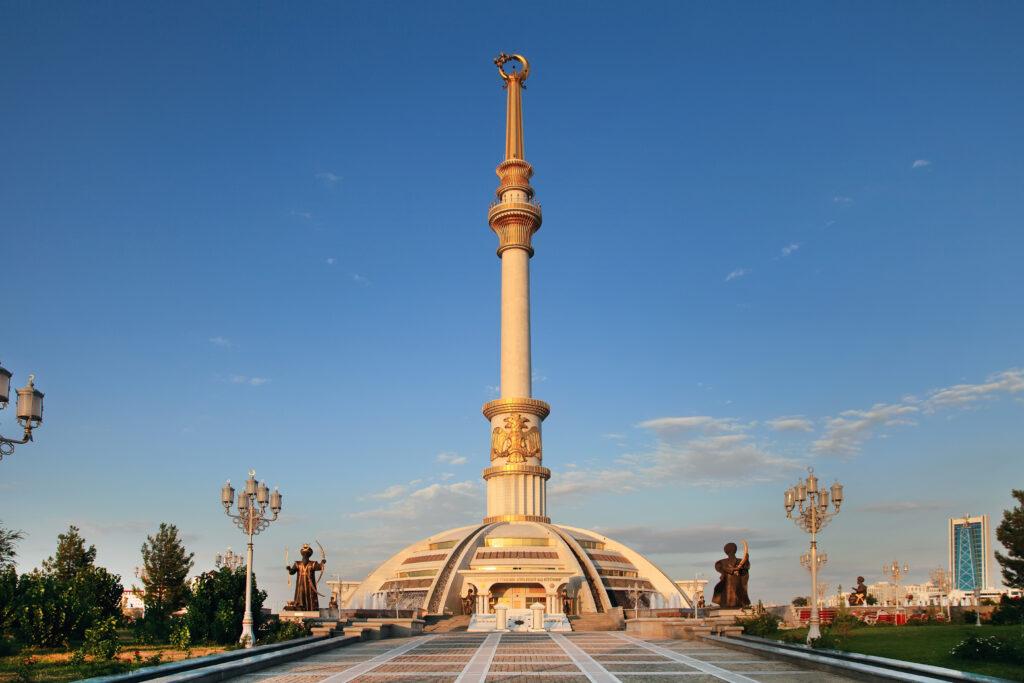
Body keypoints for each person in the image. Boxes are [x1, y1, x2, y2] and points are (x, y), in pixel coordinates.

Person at [285, 543, 326, 611]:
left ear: (309, 555)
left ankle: (310, 608)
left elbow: (320, 567)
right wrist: (289, 569)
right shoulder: (297, 563)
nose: (305, 557)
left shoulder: (313, 563)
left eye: (306, 555)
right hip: (300, 583)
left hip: (310, 584)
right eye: (304, 555)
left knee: (309, 595)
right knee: (300, 594)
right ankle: (300, 606)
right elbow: (292, 572)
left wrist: (322, 562)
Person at [712, 541, 750, 608]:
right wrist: (732, 570)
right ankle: (727, 604)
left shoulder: (740, 561)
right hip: (726, 584)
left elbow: (746, 567)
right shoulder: (722, 562)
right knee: (727, 597)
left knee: (736, 596)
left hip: (737, 583)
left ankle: (737, 604)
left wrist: (746, 560)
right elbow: (718, 567)